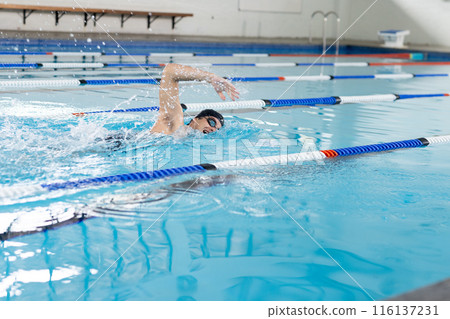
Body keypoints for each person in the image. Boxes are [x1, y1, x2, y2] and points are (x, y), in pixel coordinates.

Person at [150, 63, 239, 135]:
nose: (213, 129)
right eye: (212, 122)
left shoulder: (188, 140)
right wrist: (211, 77)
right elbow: (170, 71)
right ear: (196, 119)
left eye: (217, 129)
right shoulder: (174, 123)